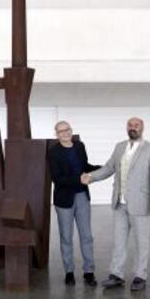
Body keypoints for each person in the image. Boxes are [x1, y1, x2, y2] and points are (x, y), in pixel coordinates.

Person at [81, 117, 150, 292]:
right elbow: (109, 168)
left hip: (140, 203)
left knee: (142, 242)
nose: (133, 128)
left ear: (142, 128)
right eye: (130, 125)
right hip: (119, 203)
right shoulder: (119, 147)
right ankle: (116, 275)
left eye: (136, 125)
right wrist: (91, 176)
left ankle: (140, 276)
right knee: (118, 242)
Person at [48, 120, 101, 287]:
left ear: (71, 130)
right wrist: (78, 179)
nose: (65, 133)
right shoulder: (53, 152)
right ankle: (69, 272)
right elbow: (57, 178)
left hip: (82, 196)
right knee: (66, 237)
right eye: (61, 131)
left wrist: (102, 169)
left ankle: (89, 272)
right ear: (57, 134)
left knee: (87, 236)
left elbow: (85, 166)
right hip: (64, 199)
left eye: (67, 129)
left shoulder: (79, 146)